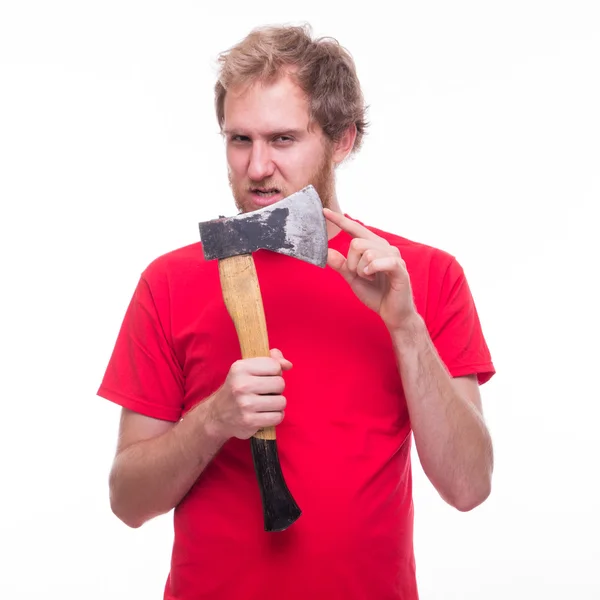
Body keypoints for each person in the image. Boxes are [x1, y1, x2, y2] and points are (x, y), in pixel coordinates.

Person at [97, 23, 495, 600]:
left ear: (342, 141)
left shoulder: (424, 278)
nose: (257, 167)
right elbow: (128, 502)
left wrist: (406, 328)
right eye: (239, 140)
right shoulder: (169, 282)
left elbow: (469, 486)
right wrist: (213, 420)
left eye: (282, 139)